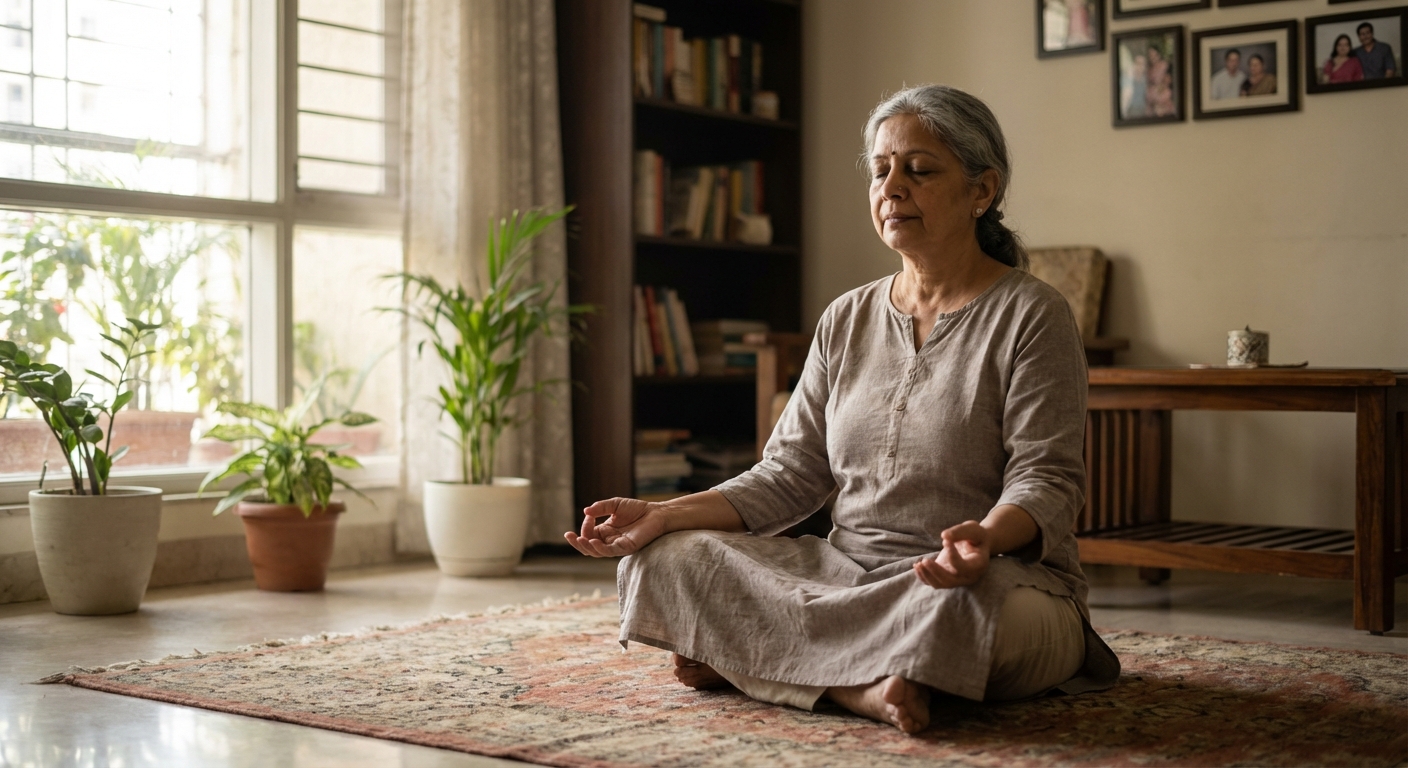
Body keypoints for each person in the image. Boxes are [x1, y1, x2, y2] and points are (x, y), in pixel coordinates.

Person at [566, 84, 1120, 735]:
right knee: (664, 557)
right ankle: (862, 687)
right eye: (881, 170)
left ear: (982, 190)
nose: (892, 187)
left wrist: (986, 540)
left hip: (986, 582)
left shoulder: (1033, 315)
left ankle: (768, 666)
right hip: (844, 575)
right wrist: (658, 514)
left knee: (965, 612)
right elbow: (791, 473)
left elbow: (1047, 478)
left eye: (919, 170)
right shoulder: (847, 317)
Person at [1145, 45, 1176, 116]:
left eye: (1154, 54)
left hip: (1163, 91)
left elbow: (1168, 79)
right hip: (1152, 94)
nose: (1152, 57)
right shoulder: (1149, 69)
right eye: (1150, 55)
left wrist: (1162, 86)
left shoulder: (1164, 65)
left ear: (1158, 54)